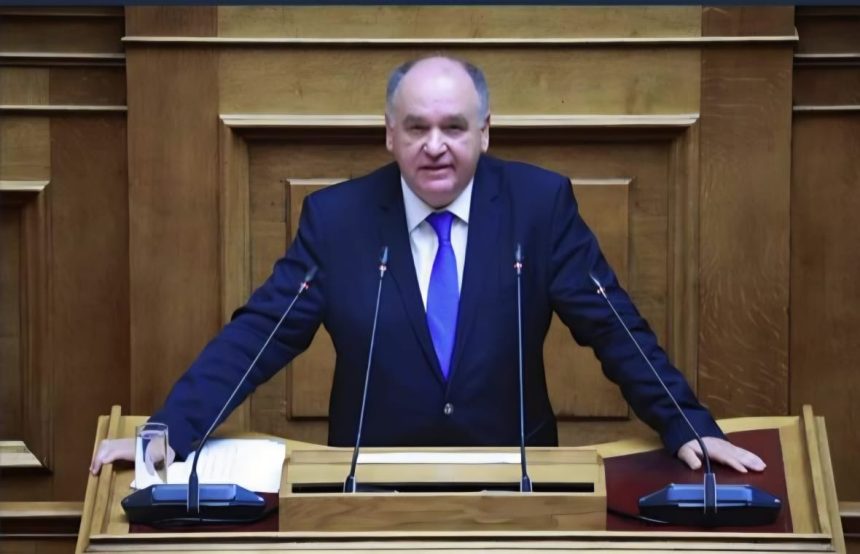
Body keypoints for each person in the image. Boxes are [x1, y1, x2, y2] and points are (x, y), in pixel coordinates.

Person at [92, 55, 764, 476]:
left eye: (454, 127)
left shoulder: (539, 206)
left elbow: (613, 325)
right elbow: (260, 332)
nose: (435, 146)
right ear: (390, 135)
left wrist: (685, 423)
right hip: (370, 480)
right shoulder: (338, 220)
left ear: (485, 132)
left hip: (514, 477)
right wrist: (171, 428)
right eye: (416, 128)